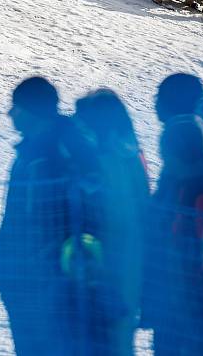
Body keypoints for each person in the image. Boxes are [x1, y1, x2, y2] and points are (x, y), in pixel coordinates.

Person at [0, 77, 103, 355]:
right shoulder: (35, 151)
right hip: (27, 275)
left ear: (32, 110)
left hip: (50, 279)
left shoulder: (62, 154)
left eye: (16, 107)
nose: (10, 114)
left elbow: (75, 216)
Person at [148, 115, 203, 355]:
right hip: (177, 294)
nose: (164, 159)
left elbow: (201, 247)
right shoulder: (184, 176)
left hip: (195, 298)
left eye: (166, 153)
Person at [74, 89, 150, 355]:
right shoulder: (130, 155)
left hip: (114, 257)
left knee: (111, 333)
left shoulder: (109, 159)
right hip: (123, 257)